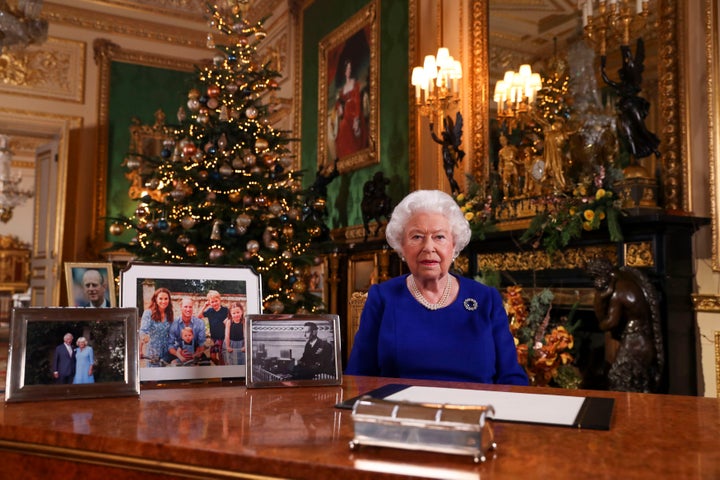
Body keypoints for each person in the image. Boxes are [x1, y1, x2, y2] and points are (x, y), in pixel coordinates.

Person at [346, 189, 529, 385]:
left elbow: (511, 377)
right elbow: (358, 376)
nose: (428, 247)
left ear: (454, 244)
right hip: (401, 411)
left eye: (439, 237)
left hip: (475, 412)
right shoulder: (383, 297)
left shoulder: (486, 299)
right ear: (402, 246)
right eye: (417, 237)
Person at [333, 58, 368, 159]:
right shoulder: (342, 89)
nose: (349, 70)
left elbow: (357, 100)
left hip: (354, 112)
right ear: (344, 71)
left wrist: (356, 119)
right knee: (343, 126)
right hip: (346, 115)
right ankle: (345, 156)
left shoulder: (354, 84)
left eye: (350, 68)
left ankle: (352, 153)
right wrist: (339, 106)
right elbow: (338, 101)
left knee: (346, 125)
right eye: (347, 68)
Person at [139, 287, 174, 366]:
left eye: (166, 299)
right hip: (153, 351)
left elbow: (172, 333)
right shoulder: (148, 313)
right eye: (160, 298)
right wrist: (140, 350)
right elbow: (143, 331)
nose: (163, 301)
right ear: (156, 299)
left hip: (166, 352)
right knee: (153, 376)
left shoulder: (169, 314)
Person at [169, 296, 206, 364]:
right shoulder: (174, 324)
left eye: (190, 307)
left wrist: (195, 355)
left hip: (195, 353)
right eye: (185, 307)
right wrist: (179, 355)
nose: (188, 309)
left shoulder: (200, 323)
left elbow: (201, 344)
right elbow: (170, 345)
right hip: (178, 353)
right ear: (181, 307)